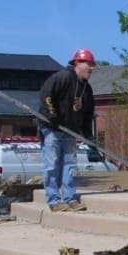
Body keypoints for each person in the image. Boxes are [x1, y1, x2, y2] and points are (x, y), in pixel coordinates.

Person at [38, 48, 97, 212]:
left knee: (69, 165)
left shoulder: (87, 89)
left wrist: (88, 135)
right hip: (51, 129)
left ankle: (70, 198)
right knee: (52, 165)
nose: (91, 68)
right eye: (88, 64)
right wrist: (52, 114)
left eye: (93, 65)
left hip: (70, 131)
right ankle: (54, 200)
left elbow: (87, 114)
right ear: (77, 63)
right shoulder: (63, 77)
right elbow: (46, 94)